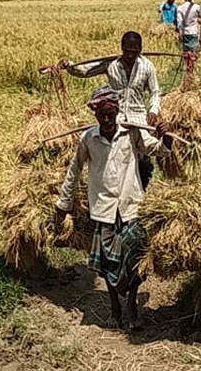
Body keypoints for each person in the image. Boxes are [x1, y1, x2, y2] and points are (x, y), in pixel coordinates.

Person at [56, 86, 172, 330]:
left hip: (132, 206)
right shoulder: (88, 139)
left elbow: (156, 150)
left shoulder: (131, 134)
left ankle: (131, 302)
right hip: (104, 210)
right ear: (96, 116)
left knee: (135, 260)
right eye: (101, 116)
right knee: (109, 264)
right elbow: (73, 172)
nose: (107, 120)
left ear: (117, 111)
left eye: (110, 114)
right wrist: (64, 204)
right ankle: (115, 306)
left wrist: (166, 138)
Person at [61, 31, 161, 189]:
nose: (130, 56)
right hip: (116, 115)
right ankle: (115, 189)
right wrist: (70, 66)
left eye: (134, 52)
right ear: (122, 48)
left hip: (138, 116)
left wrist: (153, 110)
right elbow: (86, 71)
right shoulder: (111, 64)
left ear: (140, 49)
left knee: (143, 155)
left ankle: (140, 188)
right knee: (115, 153)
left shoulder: (147, 66)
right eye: (127, 51)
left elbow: (155, 92)